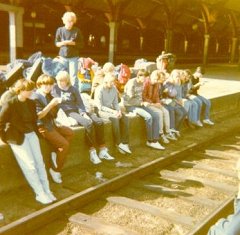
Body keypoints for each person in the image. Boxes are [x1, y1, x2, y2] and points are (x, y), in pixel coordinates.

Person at [0, 79, 56, 204]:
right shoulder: (10, 104)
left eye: (32, 89)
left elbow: (34, 118)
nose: (31, 92)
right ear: (20, 90)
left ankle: (46, 190)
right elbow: (1, 122)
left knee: (40, 163)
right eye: (29, 90)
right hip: (17, 137)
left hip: (31, 134)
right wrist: (4, 138)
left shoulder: (31, 103)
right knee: (30, 166)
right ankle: (39, 193)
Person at [52, 71, 114, 164]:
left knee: (99, 122)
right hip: (68, 112)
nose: (60, 83)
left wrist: (83, 113)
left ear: (67, 81)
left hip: (78, 109)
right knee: (88, 123)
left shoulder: (73, 89)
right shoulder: (55, 89)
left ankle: (102, 149)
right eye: (58, 81)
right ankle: (92, 152)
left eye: (62, 81)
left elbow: (80, 103)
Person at [34, 74, 74, 184]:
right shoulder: (36, 97)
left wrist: (59, 104)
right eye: (45, 84)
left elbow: (53, 114)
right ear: (39, 85)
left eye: (50, 84)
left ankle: (56, 152)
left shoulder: (48, 95)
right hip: (42, 127)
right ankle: (55, 170)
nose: (48, 87)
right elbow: (39, 116)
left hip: (52, 124)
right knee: (64, 145)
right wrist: (51, 105)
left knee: (70, 133)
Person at [123, 69, 165, 150]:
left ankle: (155, 140)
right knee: (148, 117)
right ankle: (150, 141)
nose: (146, 80)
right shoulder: (132, 83)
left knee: (156, 115)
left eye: (147, 78)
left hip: (139, 104)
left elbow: (140, 97)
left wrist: (144, 102)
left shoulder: (142, 83)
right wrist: (142, 103)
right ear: (139, 76)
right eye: (145, 78)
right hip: (130, 106)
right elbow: (129, 100)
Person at [94, 73, 132, 154]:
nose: (112, 84)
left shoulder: (114, 88)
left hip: (110, 109)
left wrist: (118, 111)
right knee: (115, 119)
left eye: (113, 82)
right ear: (105, 82)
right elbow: (100, 107)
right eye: (111, 82)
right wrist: (114, 112)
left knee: (125, 118)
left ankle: (125, 143)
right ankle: (118, 143)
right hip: (100, 111)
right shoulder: (99, 89)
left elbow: (115, 103)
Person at [142, 70, 176, 144]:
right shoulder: (146, 83)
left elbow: (156, 96)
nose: (156, 81)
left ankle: (167, 132)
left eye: (157, 80)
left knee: (166, 112)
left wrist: (158, 102)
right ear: (151, 76)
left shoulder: (157, 84)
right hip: (147, 104)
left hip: (154, 103)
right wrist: (154, 104)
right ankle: (161, 134)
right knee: (159, 113)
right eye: (155, 79)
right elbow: (143, 97)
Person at [55, 11, 84, 89]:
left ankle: (75, 93)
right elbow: (56, 43)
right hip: (62, 57)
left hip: (73, 57)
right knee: (62, 75)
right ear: (64, 21)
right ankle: (61, 90)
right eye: (68, 21)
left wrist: (73, 43)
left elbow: (82, 45)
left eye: (72, 21)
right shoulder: (60, 30)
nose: (70, 23)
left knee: (74, 76)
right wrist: (64, 42)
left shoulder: (77, 31)